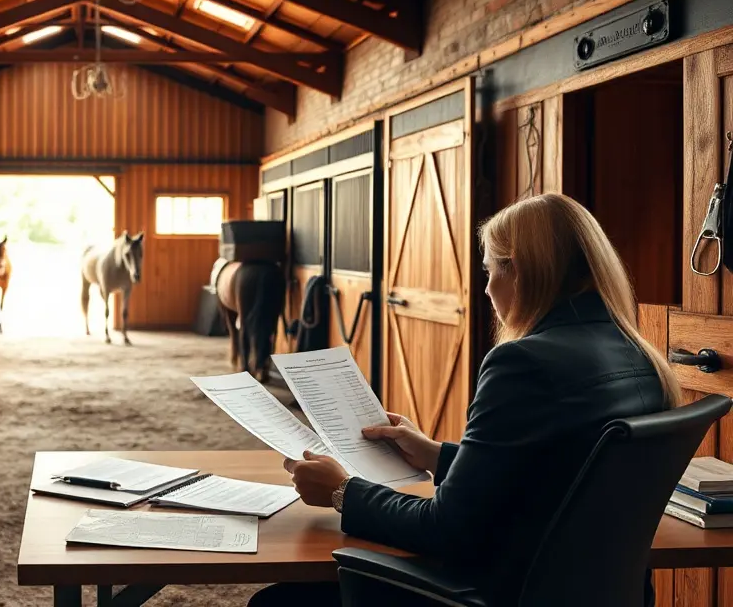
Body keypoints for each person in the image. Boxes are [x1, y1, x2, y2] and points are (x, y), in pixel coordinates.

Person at [248, 193, 681, 606]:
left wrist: (342, 490)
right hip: (589, 593)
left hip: (498, 593)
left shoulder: (521, 364)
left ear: (524, 272)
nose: (488, 290)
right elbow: (555, 476)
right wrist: (436, 455)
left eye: (491, 271)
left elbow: (445, 529)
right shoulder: (639, 354)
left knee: (277, 601)